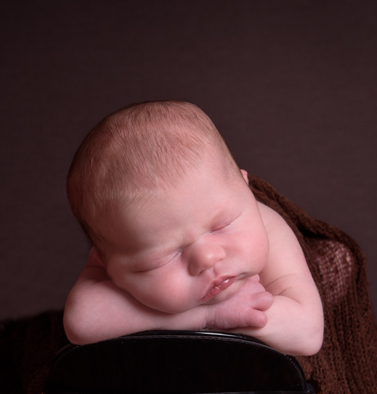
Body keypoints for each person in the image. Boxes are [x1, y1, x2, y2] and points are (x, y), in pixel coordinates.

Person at [63, 101, 324, 356]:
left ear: (245, 187)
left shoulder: (266, 225)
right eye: (162, 257)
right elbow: (81, 322)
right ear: (105, 262)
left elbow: (308, 332)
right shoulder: (121, 238)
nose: (207, 258)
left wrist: (239, 315)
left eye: (221, 225)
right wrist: (208, 315)